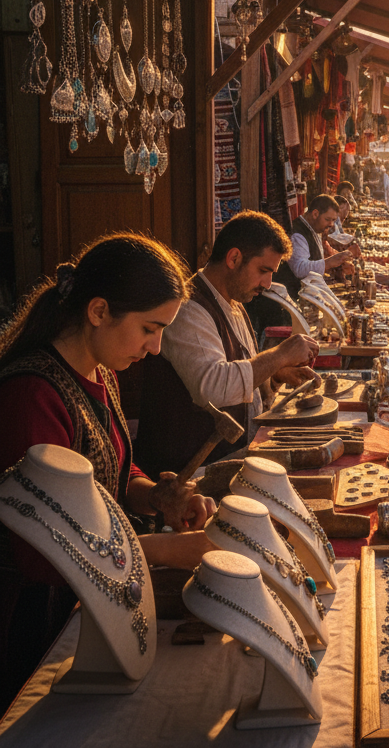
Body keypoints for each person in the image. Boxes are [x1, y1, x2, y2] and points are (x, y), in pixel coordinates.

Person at [0, 234, 217, 706]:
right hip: (34, 622)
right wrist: (165, 550)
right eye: (149, 328)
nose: (156, 347)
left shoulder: (101, 373)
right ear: (98, 311)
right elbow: (44, 552)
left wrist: (152, 495)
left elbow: (111, 471)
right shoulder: (31, 395)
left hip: (93, 603)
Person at [134, 211, 319, 476]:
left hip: (232, 460)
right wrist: (279, 355)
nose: (267, 284)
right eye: (263, 271)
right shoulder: (188, 309)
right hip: (187, 477)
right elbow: (213, 387)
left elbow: (241, 372)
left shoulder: (232, 303)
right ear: (234, 258)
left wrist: (274, 375)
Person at [275, 195, 354, 300]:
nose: (331, 224)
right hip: (294, 298)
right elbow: (300, 269)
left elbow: (315, 258)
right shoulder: (298, 234)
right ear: (315, 214)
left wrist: (336, 265)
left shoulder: (314, 228)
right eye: (327, 219)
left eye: (333, 220)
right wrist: (329, 262)